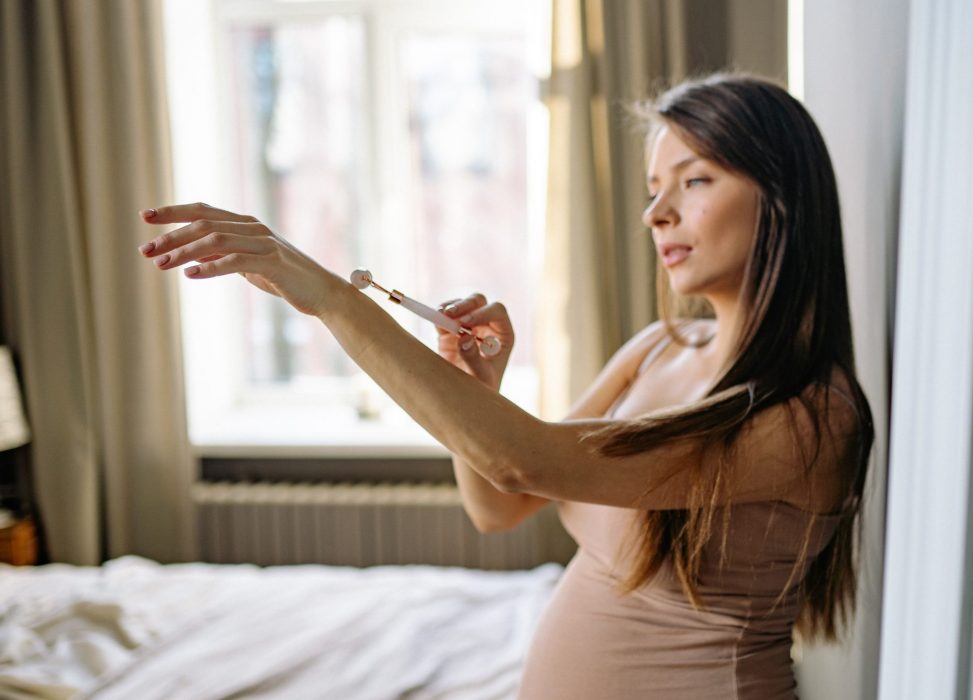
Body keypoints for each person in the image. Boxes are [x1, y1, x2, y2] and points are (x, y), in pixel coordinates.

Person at [137, 74, 874, 699]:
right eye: (654, 189)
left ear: (780, 197)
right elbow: (502, 503)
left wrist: (334, 300)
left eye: (696, 180)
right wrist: (477, 387)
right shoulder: (657, 350)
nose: (657, 213)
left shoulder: (812, 417)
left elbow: (525, 460)